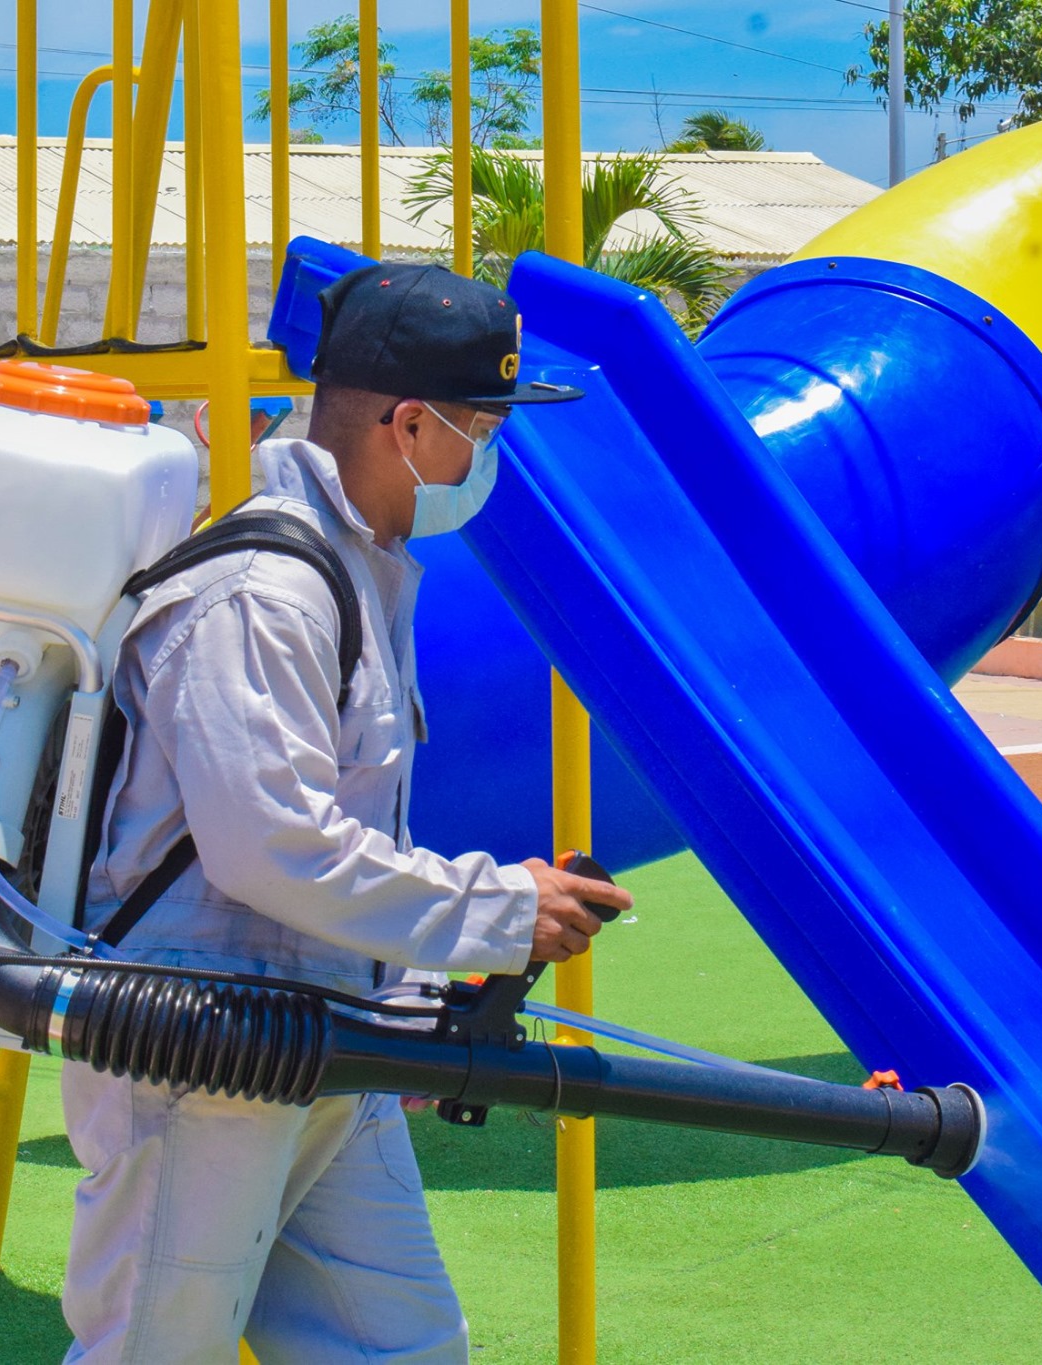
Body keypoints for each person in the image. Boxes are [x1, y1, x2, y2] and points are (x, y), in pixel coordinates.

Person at [60, 262, 632, 1363]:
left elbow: (347, 822)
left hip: (322, 1036)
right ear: (409, 426)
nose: (487, 458)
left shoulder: (361, 569)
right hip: (204, 1048)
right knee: (155, 1350)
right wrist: (498, 910)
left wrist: (405, 990)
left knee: (400, 1346)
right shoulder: (262, 592)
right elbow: (269, 846)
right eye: (481, 429)